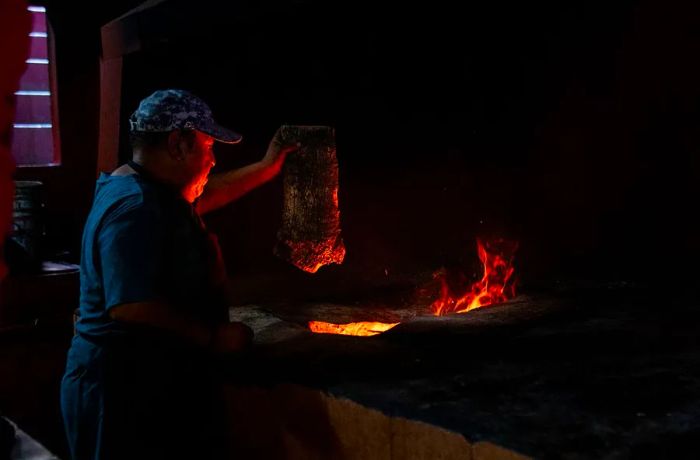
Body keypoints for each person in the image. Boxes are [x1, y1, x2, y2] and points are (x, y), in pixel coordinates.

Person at [60, 89, 297, 459]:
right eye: (207, 147)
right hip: (119, 392)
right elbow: (131, 306)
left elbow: (204, 194)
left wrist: (267, 168)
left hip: (142, 383)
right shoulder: (135, 207)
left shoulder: (144, 186)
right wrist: (212, 338)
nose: (214, 161)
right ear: (178, 145)